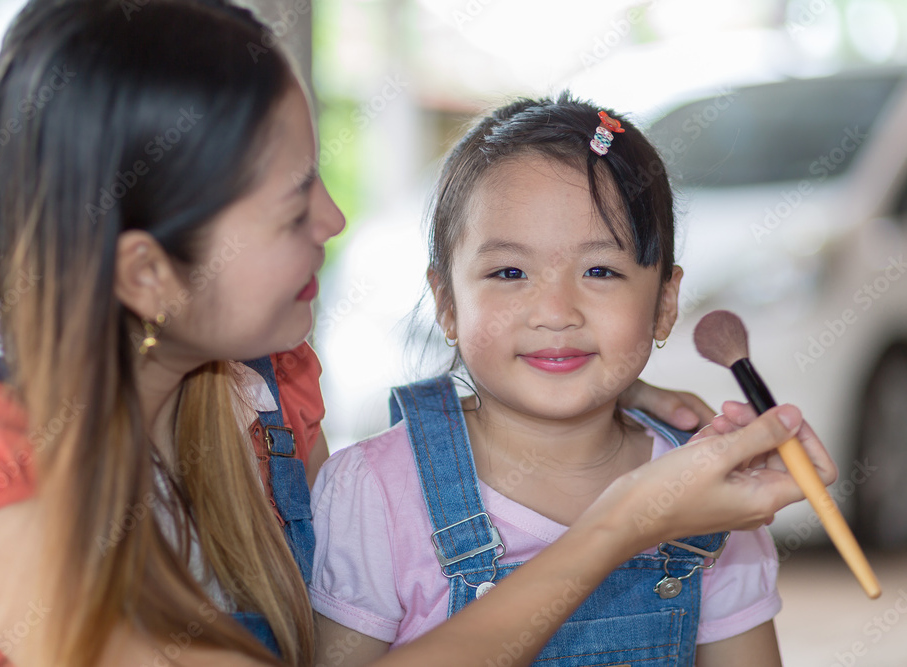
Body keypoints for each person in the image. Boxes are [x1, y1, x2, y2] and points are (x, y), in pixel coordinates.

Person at [0, 2, 836, 666]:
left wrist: (589, 386)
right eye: (291, 206)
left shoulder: (260, 388)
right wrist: (622, 523)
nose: (337, 217)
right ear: (148, 275)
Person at [309, 95, 812, 667]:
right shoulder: (374, 491)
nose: (554, 311)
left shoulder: (711, 496)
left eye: (600, 271)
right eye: (509, 272)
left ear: (665, 303)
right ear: (447, 303)